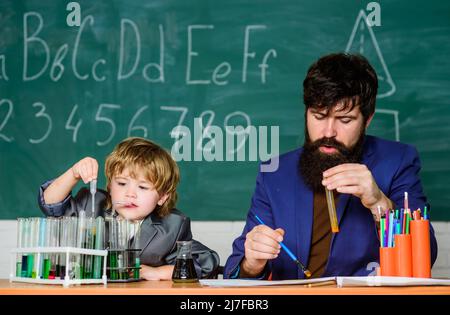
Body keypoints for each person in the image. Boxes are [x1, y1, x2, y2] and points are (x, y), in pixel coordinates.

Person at [224, 53, 438, 279]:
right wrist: (252, 262)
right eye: (318, 116)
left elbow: (425, 257)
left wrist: (379, 203)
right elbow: (237, 272)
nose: (328, 133)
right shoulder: (274, 172)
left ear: (367, 119)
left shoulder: (398, 160)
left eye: (345, 120)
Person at [38, 137, 219, 280]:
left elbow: (207, 263)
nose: (130, 194)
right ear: (109, 186)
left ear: (163, 197)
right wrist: (73, 173)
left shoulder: (172, 225)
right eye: (122, 183)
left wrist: (158, 273)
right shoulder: (91, 204)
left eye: (143, 187)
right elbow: (51, 204)